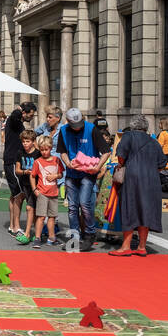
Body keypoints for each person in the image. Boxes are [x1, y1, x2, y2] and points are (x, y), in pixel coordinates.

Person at [110, 117, 168, 257]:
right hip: (151, 180)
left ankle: (126, 246)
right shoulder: (154, 142)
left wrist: (123, 165)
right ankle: (142, 246)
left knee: (130, 209)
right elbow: (162, 164)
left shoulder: (129, 136)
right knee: (145, 211)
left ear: (132, 126)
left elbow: (121, 156)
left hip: (132, 178)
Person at [57, 106, 112, 250]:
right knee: (72, 207)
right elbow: (62, 151)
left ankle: (89, 233)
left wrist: (98, 166)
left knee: (84, 204)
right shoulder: (63, 131)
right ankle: (74, 237)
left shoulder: (91, 129)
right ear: (68, 122)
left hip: (88, 173)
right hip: (72, 173)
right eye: (73, 126)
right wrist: (68, 162)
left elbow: (106, 151)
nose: (77, 128)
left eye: (79, 125)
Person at [3, 101, 36, 236]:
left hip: (16, 160)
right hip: (11, 161)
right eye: (31, 114)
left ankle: (12, 226)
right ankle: (16, 227)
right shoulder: (15, 120)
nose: (32, 117)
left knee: (14, 195)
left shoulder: (19, 124)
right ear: (24, 113)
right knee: (19, 194)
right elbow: (14, 115)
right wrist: (19, 109)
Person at [28, 135, 65, 248]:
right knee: (41, 216)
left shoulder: (56, 160)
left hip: (53, 193)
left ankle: (51, 237)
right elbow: (32, 176)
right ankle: (37, 238)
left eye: (46, 149)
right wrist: (34, 189)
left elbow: (61, 174)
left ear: (51, 148)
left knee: (52, 216)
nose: (44, 152)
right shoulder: (38, 162)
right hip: (43, 193)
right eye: (42, 150)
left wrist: (55, 175)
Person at [12, 129, 40, 242]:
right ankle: (37, 233)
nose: (25, 144)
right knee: (33, 209)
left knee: (30, 208)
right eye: (23, 141)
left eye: (27, 141)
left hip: (36, 184)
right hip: (25, 184)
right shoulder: (20, 153)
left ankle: (27, 234)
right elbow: (17, 170)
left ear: (33, 142)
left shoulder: (38, 154)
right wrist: (25, 172)